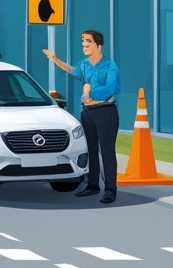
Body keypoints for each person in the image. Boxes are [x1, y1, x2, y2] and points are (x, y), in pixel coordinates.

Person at [43, 29, 122, 203]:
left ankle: (110, 189)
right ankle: (92, 185)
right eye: (82, 41)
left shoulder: (110, 66)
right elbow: (72, 70)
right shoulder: (85, 64)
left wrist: (89, 92)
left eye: (88, 41)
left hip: (105, 112)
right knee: (90, 150)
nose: (84, 45)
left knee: (107, 151)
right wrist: (55, 59)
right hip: (87, 113)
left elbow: (111, 88)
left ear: (98, 45)